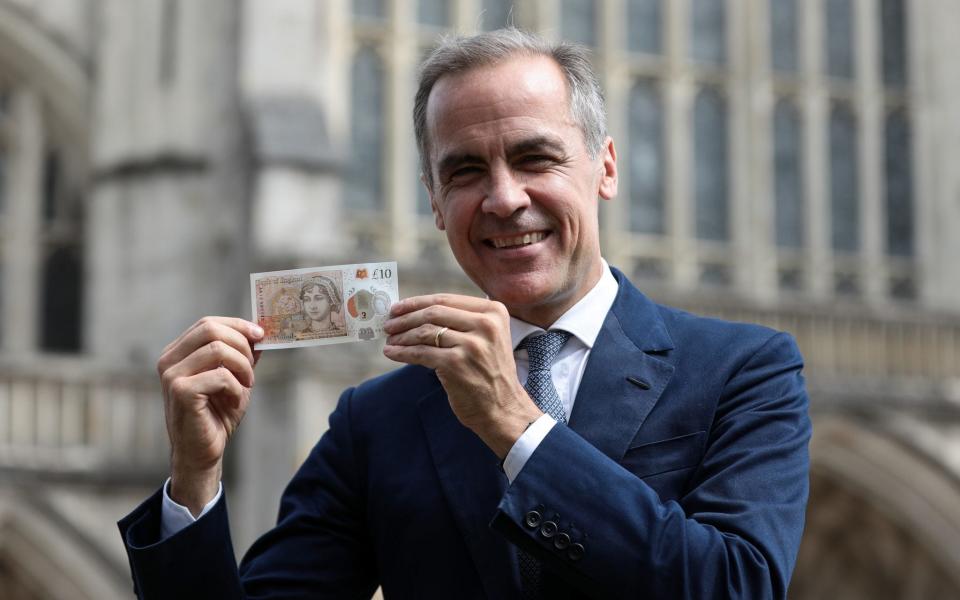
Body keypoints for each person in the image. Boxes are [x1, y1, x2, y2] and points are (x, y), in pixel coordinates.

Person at [118, 28, 811, 599]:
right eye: (465, 172)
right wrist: (195, 483)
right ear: (433, 200)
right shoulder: (376, 421)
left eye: (534, 157)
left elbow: (735, 586)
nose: (504, 198)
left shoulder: (744, 371)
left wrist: (515, 426)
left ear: (605, 168)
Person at [294, 275, 345, 339]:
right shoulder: (299, 338)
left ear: (331, 301)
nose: (312, 306)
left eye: (318, 298)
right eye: (307, 299)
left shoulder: (342, 335)